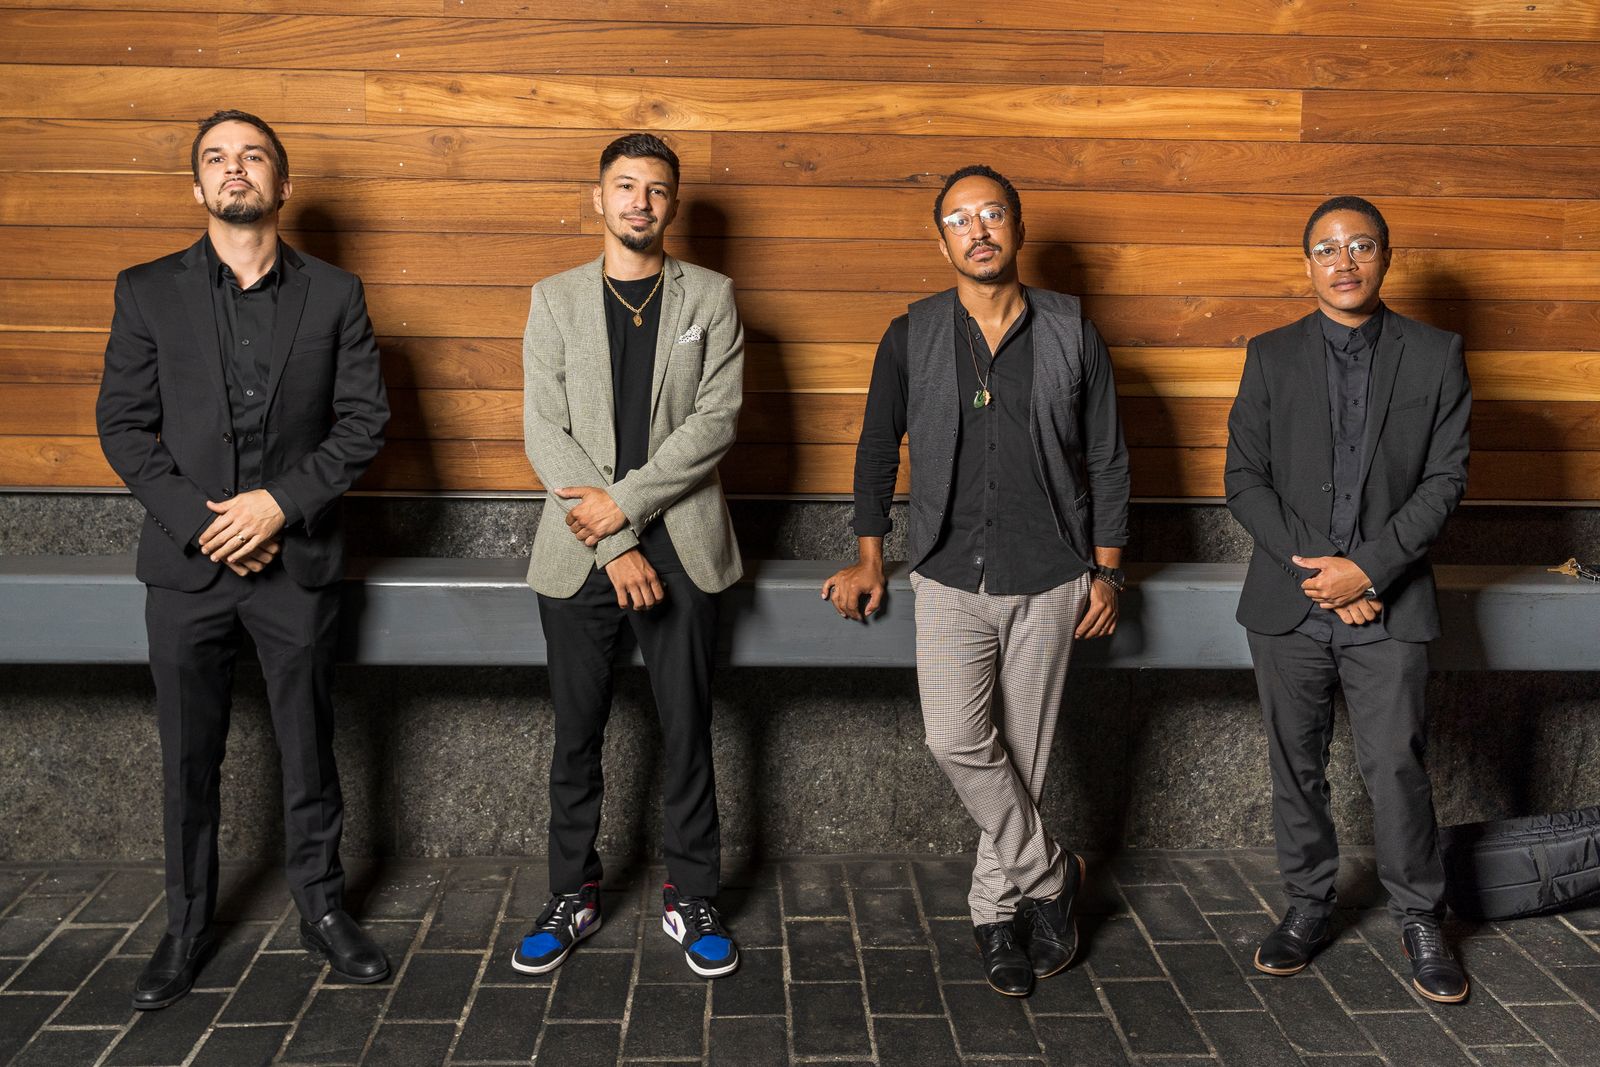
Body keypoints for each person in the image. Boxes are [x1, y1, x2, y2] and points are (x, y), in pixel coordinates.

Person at [96, 109, 391, 1009]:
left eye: (253, 156)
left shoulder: (336, 294)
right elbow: (124, 427)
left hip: (295, 564)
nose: (235, 169)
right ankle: (186, 926)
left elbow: (363, 423)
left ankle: (322, 910)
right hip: (186, 570)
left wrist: (277, 506)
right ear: (197, 186)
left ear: (281, 184)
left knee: (309, 748)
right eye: (217, 159)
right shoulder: (146, 290)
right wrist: (206, 524)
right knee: (189, 757)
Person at [822, 165, 1130, 997]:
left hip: (1053, 574)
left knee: (1022, 760)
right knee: (955, 740)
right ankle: (1054, 874)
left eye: (992, 213)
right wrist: (871, 554)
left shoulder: (1072, 329)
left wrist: (1107, 571)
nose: (978, 229)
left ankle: (995, 914)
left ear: (1018, 229)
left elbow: (1108, 457)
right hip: (949, 573)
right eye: (960, 219)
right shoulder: (912, 332)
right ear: (943, 241)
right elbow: (876, 447)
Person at [1225, 195, 1472, 1003]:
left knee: (1396, 764)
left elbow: (1445, 481)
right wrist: (1324, 577)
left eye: (1360, 245)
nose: (1344, 260)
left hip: (1390, 601)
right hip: (1289, 602)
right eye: (1327, 248)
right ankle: (1307, 903)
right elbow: (1244, 479)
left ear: (1385, 257)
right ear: (1307, 264)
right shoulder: (1270, 354)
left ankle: (1420, 916)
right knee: (1294, 763)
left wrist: (1365, 572)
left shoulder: (1436, 354)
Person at [517, 133, 745, 979]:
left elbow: (716, 421)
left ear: (672, 204)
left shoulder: (712, 296)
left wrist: (630, 504)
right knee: (576, 733)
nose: (639, 201)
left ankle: (693, 892)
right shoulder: (553, 298)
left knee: (687, 728)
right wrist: (615, 540)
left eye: (655, 189)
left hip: (683, 542)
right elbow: (544, 430)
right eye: (625, 185)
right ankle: (570, 892)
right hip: (579, 549)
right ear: (599, 197)